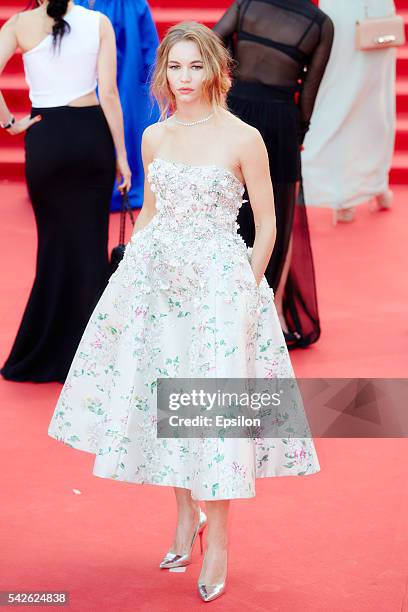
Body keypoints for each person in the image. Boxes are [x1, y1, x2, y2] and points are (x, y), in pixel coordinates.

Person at [47, 22, 320, 602]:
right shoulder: (155, 137)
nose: (186, 78)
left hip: (220, 285)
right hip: (156, 282)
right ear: (162, 74)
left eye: (197, 66)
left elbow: (268, 223)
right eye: (175, 68)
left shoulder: (245, 137)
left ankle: (218, 540)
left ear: (218, 69)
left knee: (212, 416)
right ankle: (182, 518)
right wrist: (126, 273)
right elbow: (151, 213)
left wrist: (250, 288)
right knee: (163, 400)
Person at [0, 0, 131, 383]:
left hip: (46, 138)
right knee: (90, 248)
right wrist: (122, 156)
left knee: (53, 247)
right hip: (91, 137)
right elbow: (109, 93)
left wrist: (9, 123)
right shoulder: (98, 22)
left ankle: (45, 352)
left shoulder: (20, 24)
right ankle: (92, 359)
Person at [213, 0, 334, 349]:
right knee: (275, 213)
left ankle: (225, 302)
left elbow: (214, 39)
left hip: (236, 109)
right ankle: (269, 310)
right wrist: (300, 133)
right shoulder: (320, 24)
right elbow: (309, 88)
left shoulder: (249, 3)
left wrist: (232, 73)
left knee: (229, 204)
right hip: (281, 120)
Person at [301, 0, 396, 224]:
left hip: (362, 15)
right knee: (361, 100)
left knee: (362, 100)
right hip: (357, 15)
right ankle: (355, 190)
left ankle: (364, 188)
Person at [76, 0, 160, 211]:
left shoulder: (133, 4)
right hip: (88, 78)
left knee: (127, 114)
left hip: (127, 78)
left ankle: (123, 182)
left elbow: (150, 49)